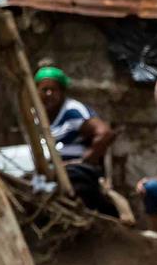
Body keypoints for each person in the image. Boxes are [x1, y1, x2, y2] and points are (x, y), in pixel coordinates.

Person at [34, 62, 116, 215]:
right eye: (44, 90)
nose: (49, 94)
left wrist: (86, 159)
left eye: (54, 90)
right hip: (47, 171)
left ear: (62, 92)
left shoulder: (73, 111)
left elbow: (105, 134)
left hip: (73, 172)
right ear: (36, 92)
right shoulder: (35, 115)